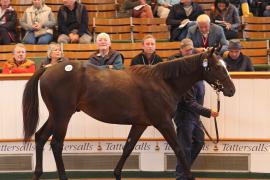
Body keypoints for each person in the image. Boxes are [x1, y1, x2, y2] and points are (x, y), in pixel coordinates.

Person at [171, 38, 219, 180]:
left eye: (191, 49)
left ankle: (185, 171)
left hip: (194, 116)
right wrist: (208, 112)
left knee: (199, 142)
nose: (189, 52)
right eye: (186, 50)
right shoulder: (183, 72)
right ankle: (181, 176)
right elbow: (190, 102)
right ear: (181, 51)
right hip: (184, 116)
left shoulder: (196, 68)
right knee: (184, 147)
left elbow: (214, 59)